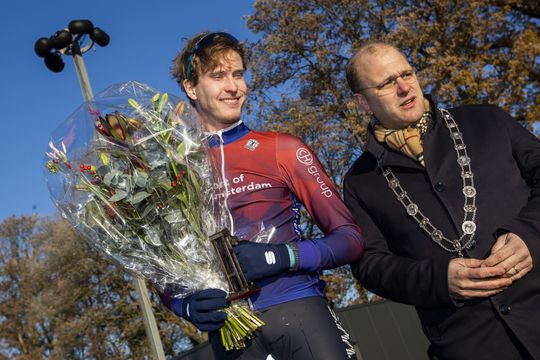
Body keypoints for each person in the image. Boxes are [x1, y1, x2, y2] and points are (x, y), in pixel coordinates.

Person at [159, 31, 365, 360]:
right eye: (218, 76)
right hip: (229, 331)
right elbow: (161, 267)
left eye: (238, 74)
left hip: (298, 310)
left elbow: (350, 239)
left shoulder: (281, 148)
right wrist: (185, 304)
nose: (233, 87)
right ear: (190, 87)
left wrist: (281, 257)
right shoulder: (171, 168)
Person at [343, 42, 540, 360]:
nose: (405, 88)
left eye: (406, 73)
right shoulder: (358, 182)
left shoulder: (487, 121)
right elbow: (370, 265)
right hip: (469, 344)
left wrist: (531, 234)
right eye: (386, 84)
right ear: (362, 102)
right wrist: (437, 280)